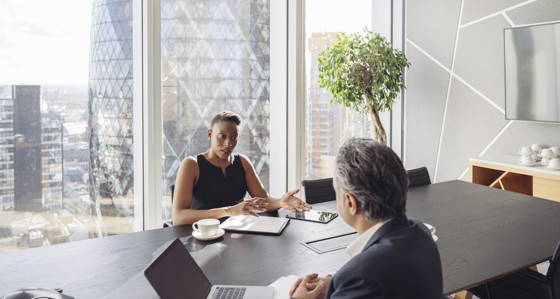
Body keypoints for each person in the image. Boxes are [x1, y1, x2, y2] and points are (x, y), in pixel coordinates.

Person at [290, 138, 445, 299]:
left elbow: (370, 277)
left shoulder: (364, 274)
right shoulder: (420, 232)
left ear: (350, 202)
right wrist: (337, 283)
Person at [172, 111, 311, 226]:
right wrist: (228, 211)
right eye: (222, 136)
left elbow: (263, 201)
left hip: (236, 234)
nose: (228, 143)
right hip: (200, 236)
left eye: (234, 137)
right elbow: (178, 217)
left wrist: (280, 202)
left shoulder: (242, 162)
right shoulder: (191, 165)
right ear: (210, 135)